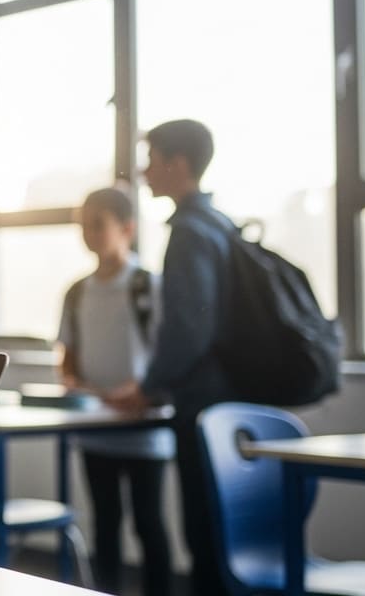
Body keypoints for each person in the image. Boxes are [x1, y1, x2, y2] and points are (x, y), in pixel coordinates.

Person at [106, 118, 238, 596]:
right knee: (221, 538)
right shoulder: (220, 223)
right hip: (227, 398)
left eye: (151, 160)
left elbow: (187, 329)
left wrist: (146, 387)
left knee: (204, 534)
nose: (144, 173)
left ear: (177, 164)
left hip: (200, 403)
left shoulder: (189, 232)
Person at [56, 187, 173, 596]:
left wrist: (141, 390)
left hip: (143, 425)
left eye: (98, 225)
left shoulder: (148, 286)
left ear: (127, 228)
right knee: (105, 522)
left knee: (149, 523)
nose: (90, 234)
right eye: (84, 226)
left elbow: (168, 352)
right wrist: (74, 384)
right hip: (96, 426)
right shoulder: (77, 292)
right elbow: (67, 358)